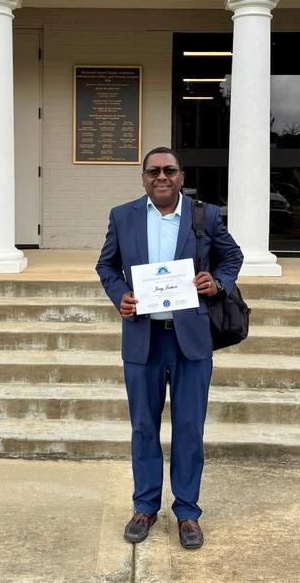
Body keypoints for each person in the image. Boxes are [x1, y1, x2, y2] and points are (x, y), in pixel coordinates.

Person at [95, 147, 244, 550]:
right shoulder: (122, 216)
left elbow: (232, 256)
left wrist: (218, 282)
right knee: (143, 426)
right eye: (153, 171)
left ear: (181, 176)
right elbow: (105, 266)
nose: (161, 177)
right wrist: (120, 296)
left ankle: (188, 513)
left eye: (170, 170)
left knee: (189, 428)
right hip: (143, 338)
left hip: (190, 341)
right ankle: (144, 506)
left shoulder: (205, 215)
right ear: (143, 178)